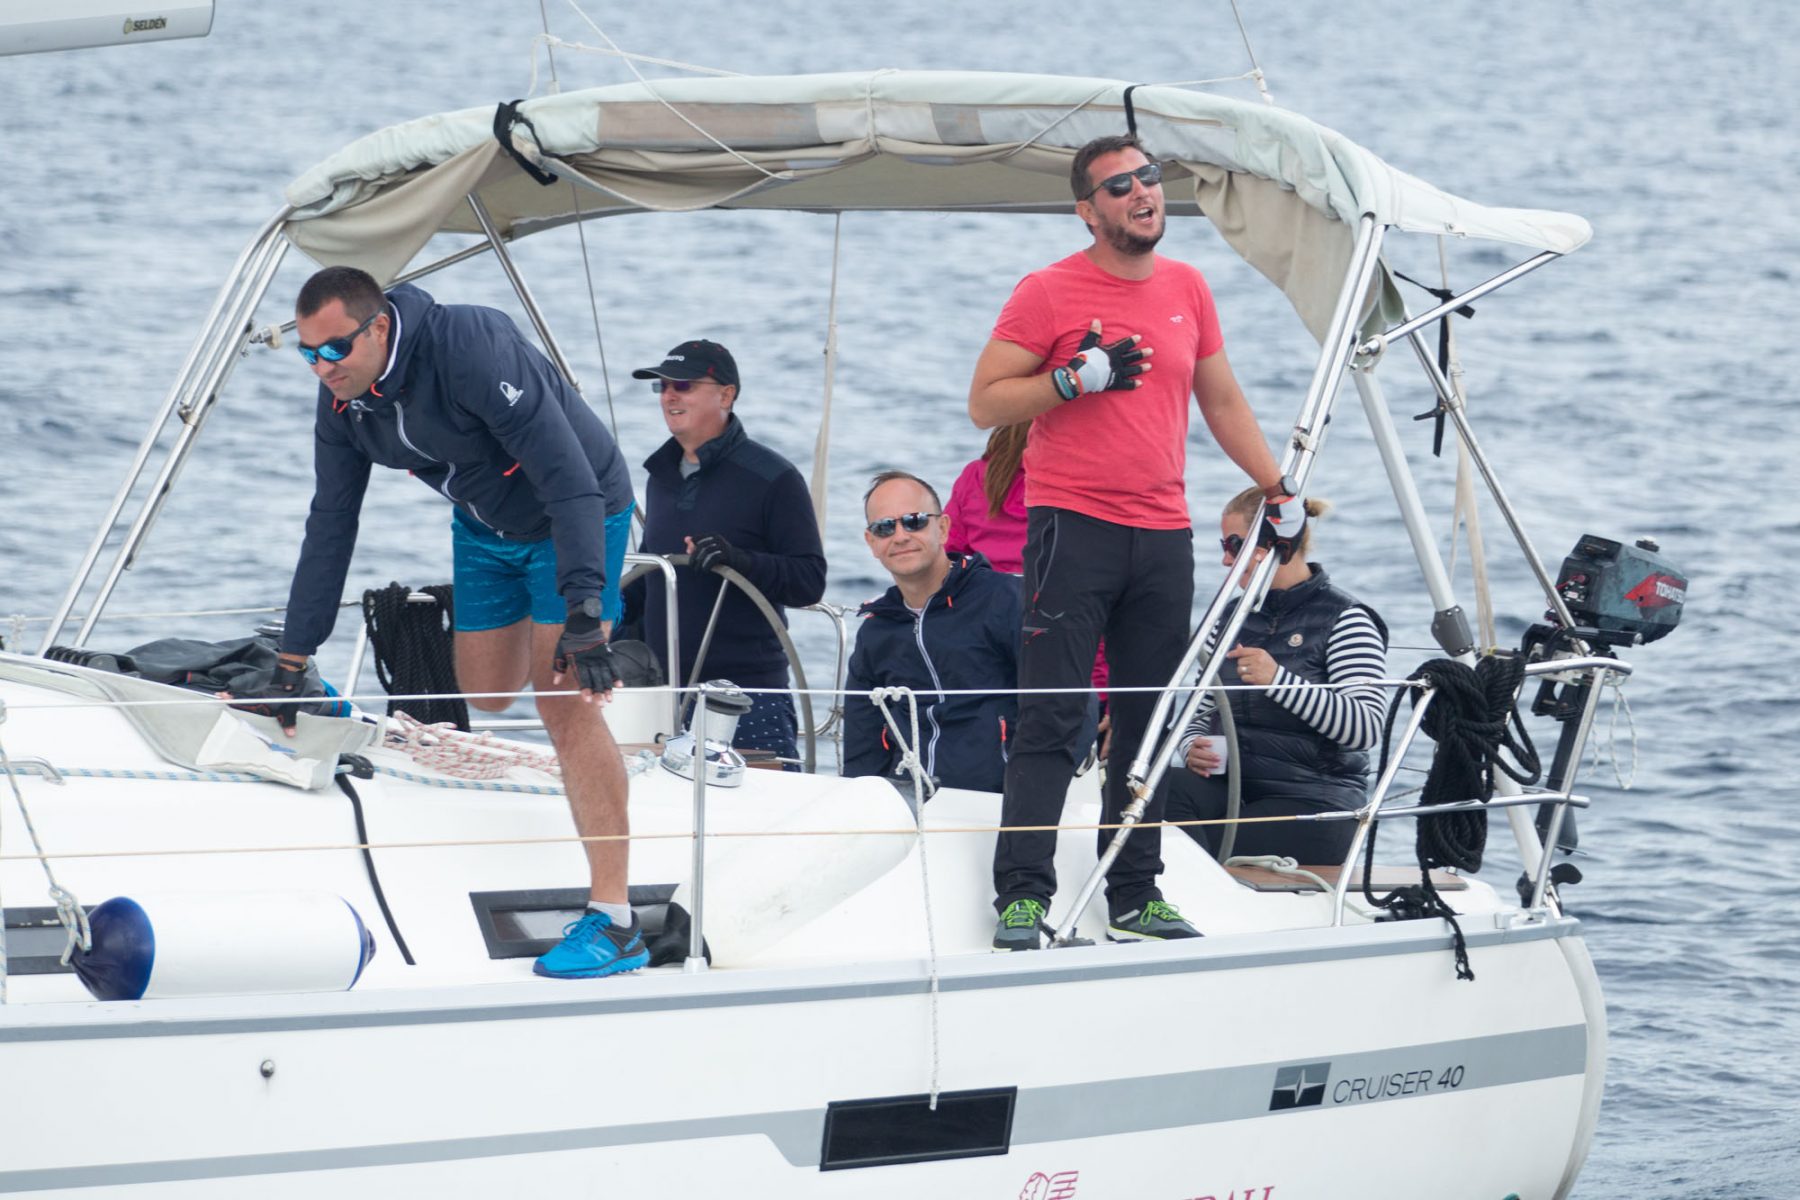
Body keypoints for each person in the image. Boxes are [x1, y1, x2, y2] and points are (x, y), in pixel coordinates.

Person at [968, 132, 1306, 950]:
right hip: (1072, 528)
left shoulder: (1188, 285)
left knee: (1148, 720)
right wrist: (1069, 379)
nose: (1143, 192)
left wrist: (1277, 487)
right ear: (1088, 212)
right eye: (1119, 186)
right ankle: (1023, 895)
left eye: (1148, 177)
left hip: (1162, 535)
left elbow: (1221, 401)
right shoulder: (1047, 291)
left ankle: (1134, 893)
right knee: (1053, 717)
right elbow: (985, 403)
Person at [263, 266, 645, 981]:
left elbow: (570, 481)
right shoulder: (343, 400)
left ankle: (617, 920)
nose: (322, 368)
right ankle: (568, 648)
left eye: (334, 349)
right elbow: (331, 522)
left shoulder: (468, 348)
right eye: (308, 353)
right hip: (483, 527)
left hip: (575, 511)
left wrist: (585, 610)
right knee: (487, 694)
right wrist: (294, 657)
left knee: (559, 700)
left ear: (379, 327)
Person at [1163, 490, 1390, 864]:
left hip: (1314, 804)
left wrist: (1279, 681)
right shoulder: (1230, 617)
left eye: (1234, 545)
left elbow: (1364, 728)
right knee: (1151, 796)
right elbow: (1200, 712)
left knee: (1192, 846)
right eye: (1224, 546)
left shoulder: (1346, 619)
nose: (1225, 560)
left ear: (1276, 545)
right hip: (1238, 791)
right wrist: (1191, 747)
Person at [631, 340, 826, 765]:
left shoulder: (774, 478)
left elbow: (809, 581)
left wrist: (738, 559)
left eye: (683, 385)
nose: (669, 396)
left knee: (763, 805)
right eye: (663, 386)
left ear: (726, 394)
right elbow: (649, 577)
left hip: (746, 696)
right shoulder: (659, 477)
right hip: (660, 694)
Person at [844, 471, 1021, 794]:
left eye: (914, 522)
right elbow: (862, 744)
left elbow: (1066, 705)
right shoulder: (876, 631)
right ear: (871, 543)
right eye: (884, 527)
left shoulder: (1005, 600)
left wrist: (1030, 798)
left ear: (943, 528)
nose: (900, 536)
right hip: (910, 804)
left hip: (1003, 802)